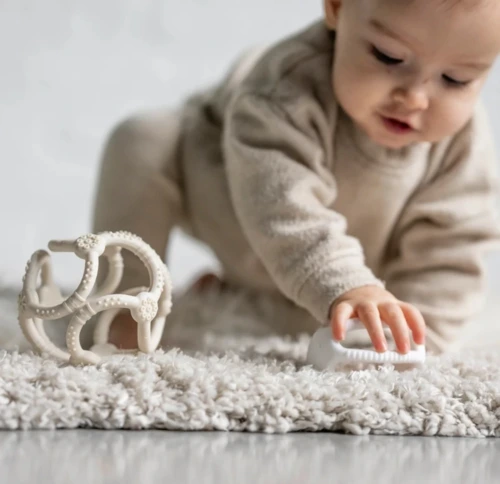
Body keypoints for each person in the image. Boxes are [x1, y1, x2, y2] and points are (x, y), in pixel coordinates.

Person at [92, 0, 500, 354]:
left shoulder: (462, 145)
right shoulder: (284, 89)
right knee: (143, 139)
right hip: (231, 203)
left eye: (456, 79)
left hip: (337, 268)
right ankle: (128, 307)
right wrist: (345, 284)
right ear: (336, 7)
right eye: (389, 56)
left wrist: (414, 336)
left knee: (356, 297)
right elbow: (283, 206)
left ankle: (267, 300)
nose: (415, 97)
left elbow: (452, 248)